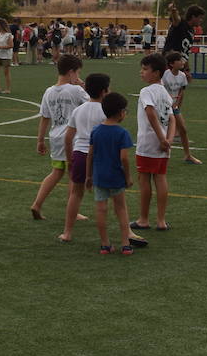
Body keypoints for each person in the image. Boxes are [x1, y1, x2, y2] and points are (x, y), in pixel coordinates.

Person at [31, 53, 86, 221]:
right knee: (74, 175)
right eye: (77, 73)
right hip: (72, 139)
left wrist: (40, 140)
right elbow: (94, 104)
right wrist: (83, 85)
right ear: (71, 72)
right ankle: (73, 211)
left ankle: (37, 204)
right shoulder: (76, 90)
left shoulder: (49, 91)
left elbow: (44, 117)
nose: (78, 77)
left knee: (56, 172)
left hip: (55, 137)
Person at [60, 72, 110, 243]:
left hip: (79, 154)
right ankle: (125, 233)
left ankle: (67, 232)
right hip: (100, 156)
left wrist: (69, 160)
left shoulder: (78, 110)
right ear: (104, 91)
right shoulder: (106, 111)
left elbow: (68, 138)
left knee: (76, 193)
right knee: (108, 196)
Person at [87, 92, 136, 255]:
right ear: (121, 112)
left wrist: (89, 176)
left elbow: (90, 155)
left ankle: (105, 244)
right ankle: (125, 244)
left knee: (101, 209)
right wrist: (127, 176)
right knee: (121, 209)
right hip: (116, 176)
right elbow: (124, 158)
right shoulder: (122, 133)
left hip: (99, 177)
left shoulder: (96, 131)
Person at [130, 53, 175, 232]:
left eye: (145, 69)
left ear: (156, 73)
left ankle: (143, 219)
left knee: (144, 179)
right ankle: (161, 220)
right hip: (163, 145)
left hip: (149, 143)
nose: (141, 72)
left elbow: (150, 113)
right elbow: (172, 119)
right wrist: (168, 140)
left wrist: (161, 138)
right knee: (161, 178)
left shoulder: (147, 91)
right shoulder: (165, 93)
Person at [162, 50, 202, 164]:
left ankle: (187, 155)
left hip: (174, 108)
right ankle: (159, 156)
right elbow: (162, 90)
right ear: (172, 64)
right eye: (179, 60)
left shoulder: (182, 76)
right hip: (164, 107)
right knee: (162, 132)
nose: (182, 62)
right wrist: (170, 102)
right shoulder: (165, 75)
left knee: (183, 130)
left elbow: (181, 91)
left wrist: (177, 104)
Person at [0, 19, 14, 93]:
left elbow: (11, 45)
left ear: (1, 25)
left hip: (6, 56)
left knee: (6, 73)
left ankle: (8, 89)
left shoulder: (8, 35)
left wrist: (1, 47)